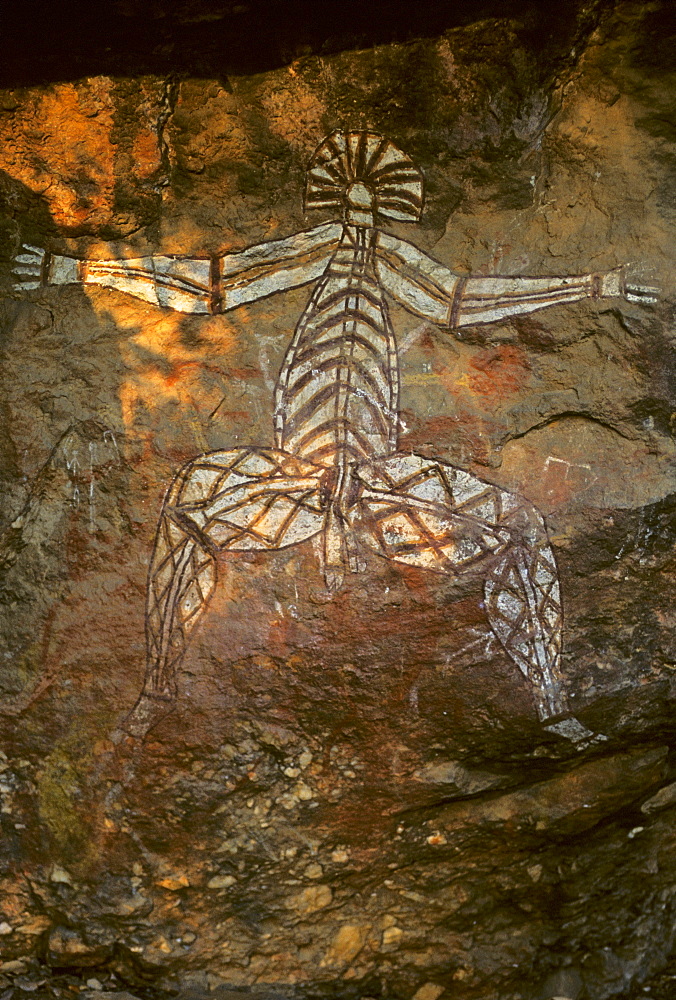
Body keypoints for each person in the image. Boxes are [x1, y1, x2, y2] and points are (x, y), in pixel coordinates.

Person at [12, 129, 657, 741]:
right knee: (187, 500)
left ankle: (550, 702)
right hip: (296, 475)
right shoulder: (313, 252)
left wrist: (597, 285)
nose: (359, 211)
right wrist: (75, 272)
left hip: (381, 486)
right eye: (351, 197)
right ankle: (155, 692)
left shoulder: (396, 264)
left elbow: (461, 298)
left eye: (369, 200)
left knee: (520, 527)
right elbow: (209, 284)